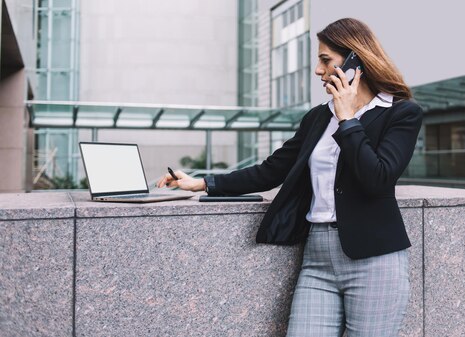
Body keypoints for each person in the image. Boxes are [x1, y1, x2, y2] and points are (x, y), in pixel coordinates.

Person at [157, 17, 422, 337]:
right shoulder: (317, 117)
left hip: (375, 260)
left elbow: (378, 178)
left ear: (356, 60)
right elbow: (272, 169)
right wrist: (203, 182)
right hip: (318, 258)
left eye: (326, 60)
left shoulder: (401, 112)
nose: (318, 70)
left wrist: (348, 118)